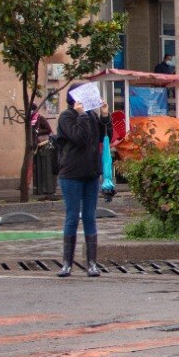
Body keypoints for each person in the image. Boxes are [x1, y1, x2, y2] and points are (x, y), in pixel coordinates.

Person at [54, 86, 112, 277]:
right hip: (71, 174)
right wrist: (81, 115)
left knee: (89, 216)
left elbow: (106, 137)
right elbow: (79, 137)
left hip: (91, 173)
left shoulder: (90, 116)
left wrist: (104, 117)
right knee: (72, 217)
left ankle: (92, 264)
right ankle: (67, 264)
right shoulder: (66, 117)